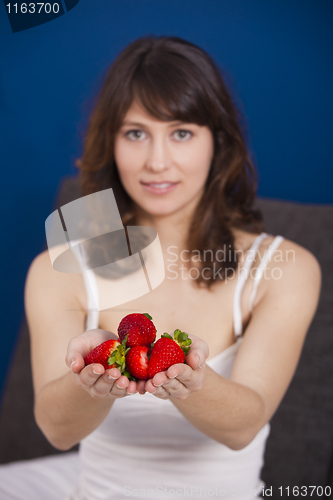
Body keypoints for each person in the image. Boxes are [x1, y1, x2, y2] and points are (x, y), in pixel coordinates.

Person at [0, 36, 321, 500]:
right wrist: (90, 381)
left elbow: (243, 427)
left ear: (219, 142)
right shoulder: (59, 269)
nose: (157, 161)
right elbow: (57, 430)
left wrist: (192, 380)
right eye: (135, 133)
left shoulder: (286, 268)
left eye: (182, 132)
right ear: (110, 142)